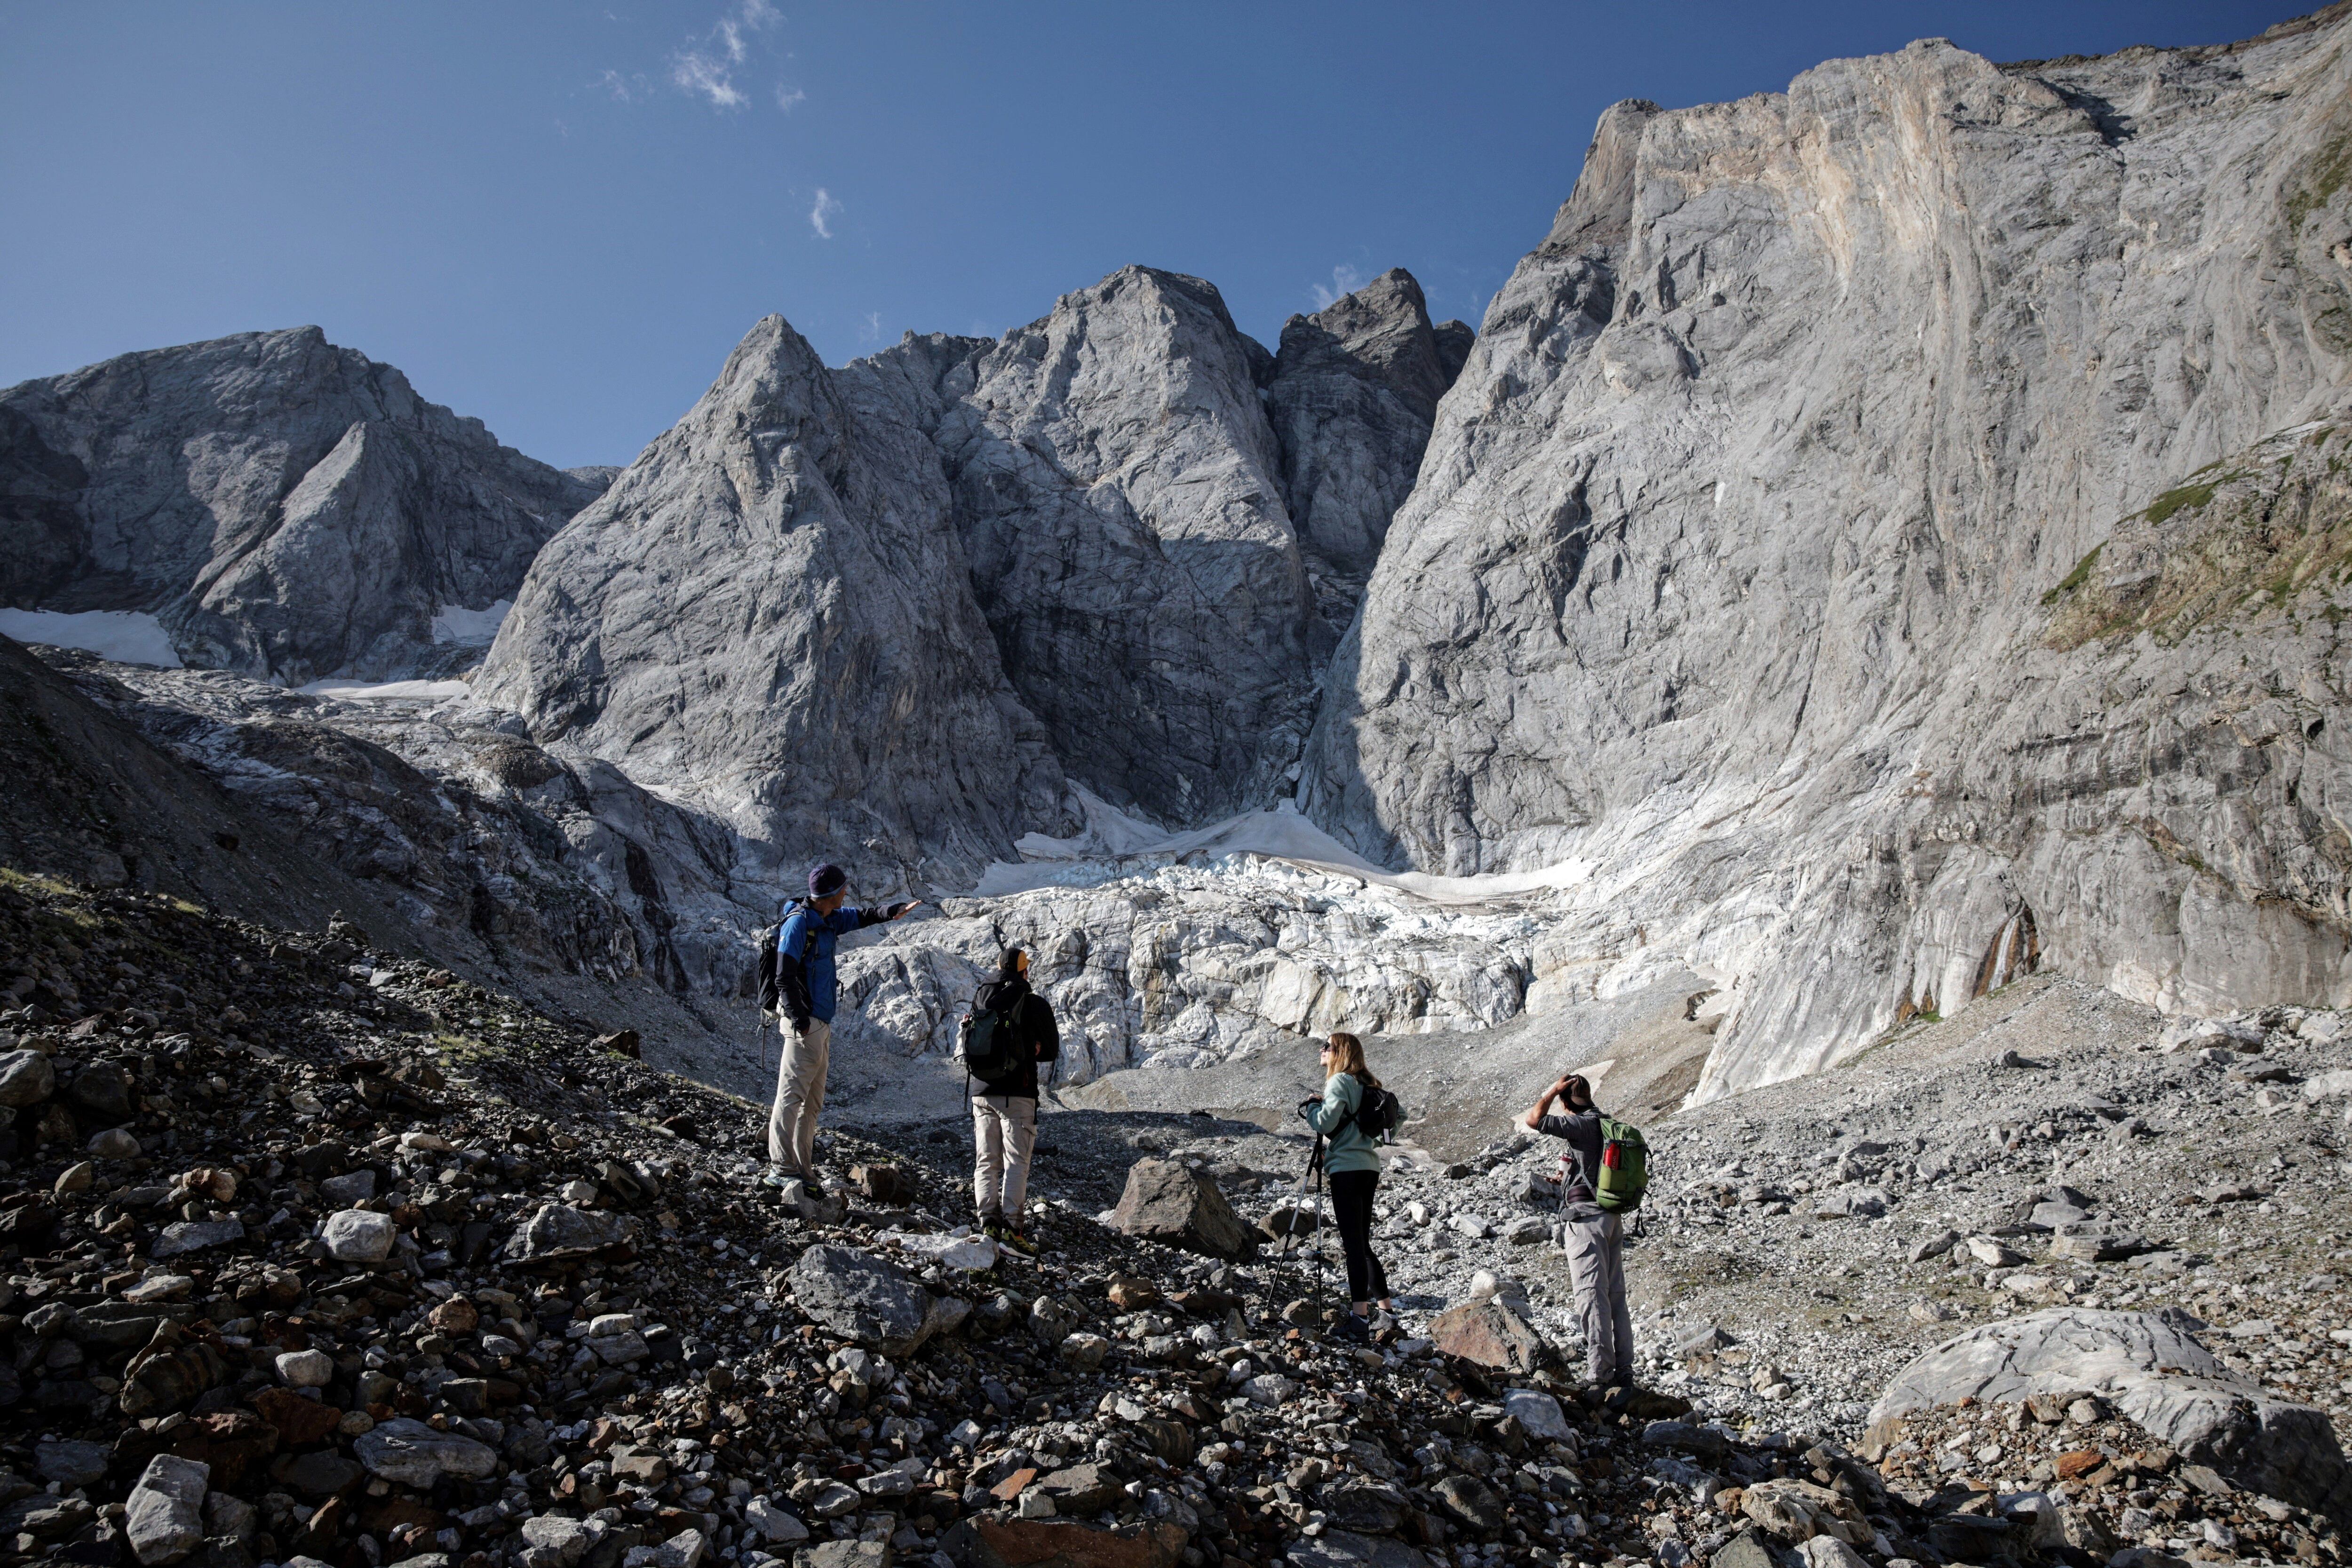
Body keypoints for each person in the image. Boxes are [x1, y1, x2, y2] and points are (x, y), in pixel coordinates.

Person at [768, 863, 917, 1185]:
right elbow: (784, 976)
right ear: (831, 894)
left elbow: (863, 915)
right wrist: (800, 1020)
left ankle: (803, 1171)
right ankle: (781, 1169)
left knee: (812, 1102)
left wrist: (894, 911)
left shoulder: (828, 918)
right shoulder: (798, 926)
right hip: (805, 1026)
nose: (847, 891)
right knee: (792, 1097)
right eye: (843, 888)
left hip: (821, 1024)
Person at [1525, 1071, 1634, 1391]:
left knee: (1591, 1293)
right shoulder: (1605, 1121)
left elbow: (1534, 1119)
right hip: (1611, 1217)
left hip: (1585, 1220)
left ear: (1565, 1099)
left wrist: (1551, 1089)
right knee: (1615, 1296)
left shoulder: (1580, 1123)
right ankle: (1624, 1371)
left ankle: (1600, 1372)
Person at [1303, 1031, 1398, 1343]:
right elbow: (1398, 1116)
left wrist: (1313, 1108)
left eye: (1327, 1046)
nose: (1322, 1050)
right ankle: (1387, 1314)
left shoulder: (1339, 1081)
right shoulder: (1367, 1085)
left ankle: (1359, 1320)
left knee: (1353, 1245)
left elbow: (1325, 1124)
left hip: (1345, 1169)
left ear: (1339, 1051)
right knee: (1363, 1242)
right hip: (1369, 1167)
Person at [968, 947, 1060, 1249]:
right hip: (1017, 1094)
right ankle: (1012, 1229)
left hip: (981, 1092)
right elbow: (1051, 1051)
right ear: (1025, 971)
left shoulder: (981, 997)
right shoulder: (1032, 1003)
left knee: (986, 1161)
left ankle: (988, 1226)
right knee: (1016, 1161)